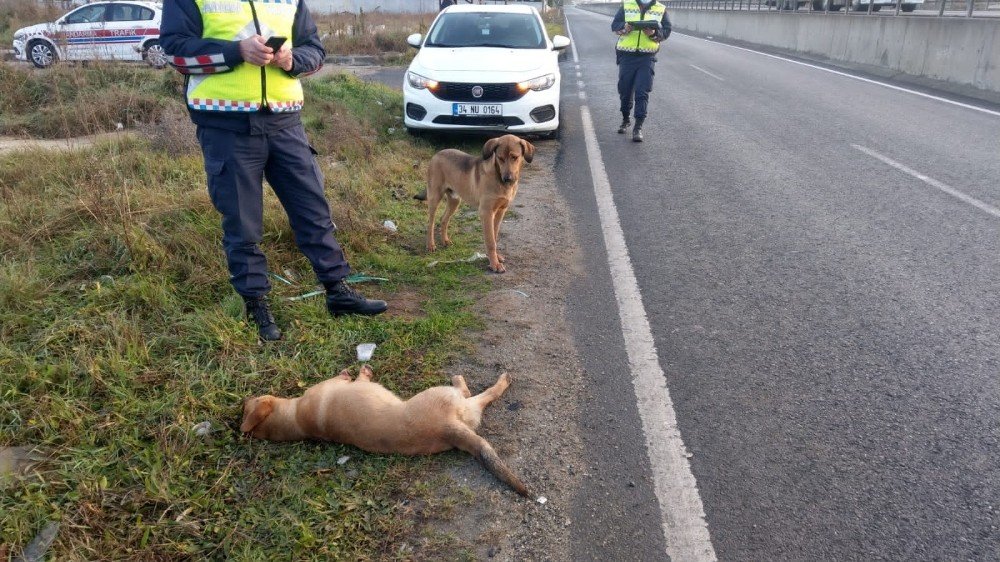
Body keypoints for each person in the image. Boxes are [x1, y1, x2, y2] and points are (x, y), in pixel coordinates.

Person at [160, 0, 387, 342]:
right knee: (243, 222)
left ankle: (338, 291)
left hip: (286, 123)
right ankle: (256, 304)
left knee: (313, 210)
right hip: (226, 126)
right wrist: (237, 51)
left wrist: (291, 59)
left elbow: (315, 50)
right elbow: (176, 53)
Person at [611, 0, 671, 142]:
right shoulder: (627, 5)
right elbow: (614, 26)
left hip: (647, 57)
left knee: (642, 91)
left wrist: (654, 33)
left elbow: (666, 31)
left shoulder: (660, 8)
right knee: (625, 91)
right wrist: (624, 28)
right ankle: (626, 119)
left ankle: (638, 127)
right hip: (627, 56)